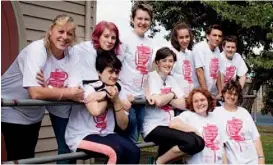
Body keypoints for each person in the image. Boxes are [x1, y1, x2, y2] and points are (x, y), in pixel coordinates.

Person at [1, 14, 83, 162]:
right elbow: (35, 92)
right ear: (51, 31)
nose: (65, 37)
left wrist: (50, 88)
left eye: (69, 33)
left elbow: (77, 90)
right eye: (61, 31)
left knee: (28, 157)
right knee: (20, 158)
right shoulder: (37, 50)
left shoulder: (72, 55)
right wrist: (66, 91)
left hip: (34, 112)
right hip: (11, 107)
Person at [65, 52, 140, 164]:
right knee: (115, 152)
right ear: (99, 73)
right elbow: (95, 111)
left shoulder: (119, 90)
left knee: (134, 151)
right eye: (110, 71)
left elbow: (123, 125)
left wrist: (115, 100)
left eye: (117, 72)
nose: (114, 75)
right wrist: (108, 95)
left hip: (107, 134)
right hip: (81, 136)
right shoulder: (89, 87)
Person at [142, 47, 205, 164]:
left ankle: (159, 161)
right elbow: (158, 102)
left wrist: (166, 97)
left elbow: (183, 104)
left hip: (170, 125)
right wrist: (172, 95)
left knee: (199, 142)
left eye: (171, 61)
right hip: (153, 127)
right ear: (157, 62)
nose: (168, 64)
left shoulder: (172, 80)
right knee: (191, 142)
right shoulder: (151, 77)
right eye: (164, 60)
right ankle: (159, 162)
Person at [117, 2, 154, 143]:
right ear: (132, 19)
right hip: (126, 97)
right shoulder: (124, 40)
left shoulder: (150, 43)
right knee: (129, 139)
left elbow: (147, 72)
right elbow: (115, 68)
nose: (142, 22)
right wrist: (121, 96)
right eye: (139, 18)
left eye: (146, 19)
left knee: (135, 138)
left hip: (141, 99)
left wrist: (148, 94)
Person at [213, 80, 265, 164]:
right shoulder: (215, 113)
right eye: (229, 93)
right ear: (223, 93)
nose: (232, 96)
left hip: (253, 160)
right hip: (234, 161)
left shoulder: (244, 112)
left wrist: (261, 158)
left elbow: (255, 137)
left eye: (235, 94)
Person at [170, 88, 227, 164]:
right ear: (192, 104)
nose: (199, 103)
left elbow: (222, 146)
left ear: (208, 100)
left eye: (202, 100)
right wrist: (194, 130)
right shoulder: (189, 115)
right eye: (196, 101)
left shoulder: (215, 117)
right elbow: (173, 124)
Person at [192, 24, 223, 99]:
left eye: (219, 36)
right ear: (207, 36)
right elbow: (199, 72)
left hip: (212, 93)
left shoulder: (217, 50)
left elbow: (217, 72)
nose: (217, 38)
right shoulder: (199, 48)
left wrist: (220, 92)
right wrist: (207, 94)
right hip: (199, 93)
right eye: (214, 35)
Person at [171, 22, 198, 97]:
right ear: (176, 38)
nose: (185, 40)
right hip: (178, 98)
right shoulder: (172, 54)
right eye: (181, 37)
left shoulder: (190, 54)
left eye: (187, 36)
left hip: (190, 97)